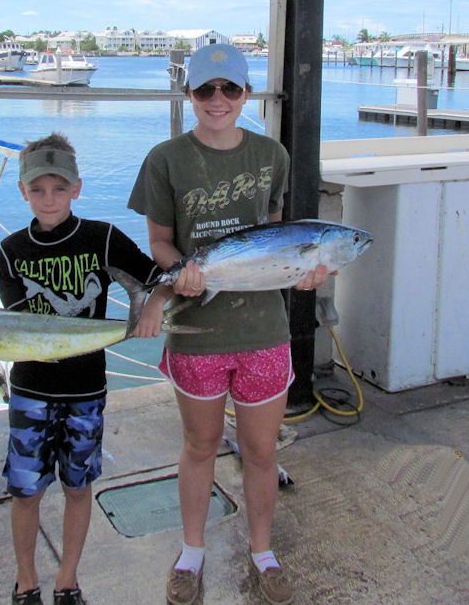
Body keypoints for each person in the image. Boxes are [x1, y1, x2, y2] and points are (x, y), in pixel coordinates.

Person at [128, 43, 331, 605]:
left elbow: (273, 233)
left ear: (246, 94)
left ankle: (263, 552)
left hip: (265, 330)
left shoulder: (273, 155)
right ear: (188, 94)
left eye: (230, 90)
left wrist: (303, 272)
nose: (218, 101)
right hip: (198, 331)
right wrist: (179, 274)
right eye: (205, 90)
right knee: (200, 444)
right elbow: (162, 242)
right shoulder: (165, 159)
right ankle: (191, 553)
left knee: (262, 452)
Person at [0, 132, 162, 605]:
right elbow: (18, 329)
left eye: (59, 188)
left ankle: (67, 580)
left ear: (77, 188)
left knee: (79, 488)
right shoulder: (11, 250)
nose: (48, 199)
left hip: (87, 388)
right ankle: (26, 581)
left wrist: (152, 307)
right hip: (31, 389)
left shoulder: (103, 237)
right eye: (38, 190)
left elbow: (157, 280)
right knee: (25, 492)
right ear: (23, 192)